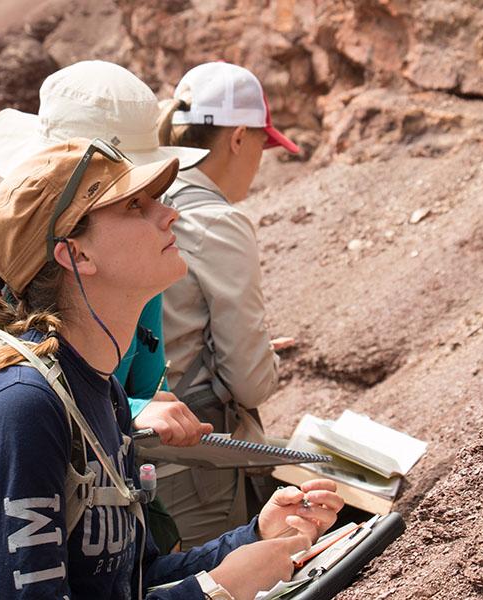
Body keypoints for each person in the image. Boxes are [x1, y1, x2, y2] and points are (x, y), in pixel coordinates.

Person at [0, 138, 343, 599]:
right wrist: (217, 589)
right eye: (135, 206)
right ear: (76, 255)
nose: (168, 214)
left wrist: (253, 537)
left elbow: (130, 579)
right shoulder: (18, 409)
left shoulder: (101, 391)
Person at [0, 60, 210, 447]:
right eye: (131, 200)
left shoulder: (131, 253)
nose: (164, 212)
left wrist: (137, 406)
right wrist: (134, 408)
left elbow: (146, 385)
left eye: (151, 194)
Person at [155, 62, 301, 548]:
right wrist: (265, 356)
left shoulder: (148, 200)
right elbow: (249, 380)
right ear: (239, 137)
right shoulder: (217, 221)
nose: (262, 158)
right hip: (198, 464)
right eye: (263, 142)